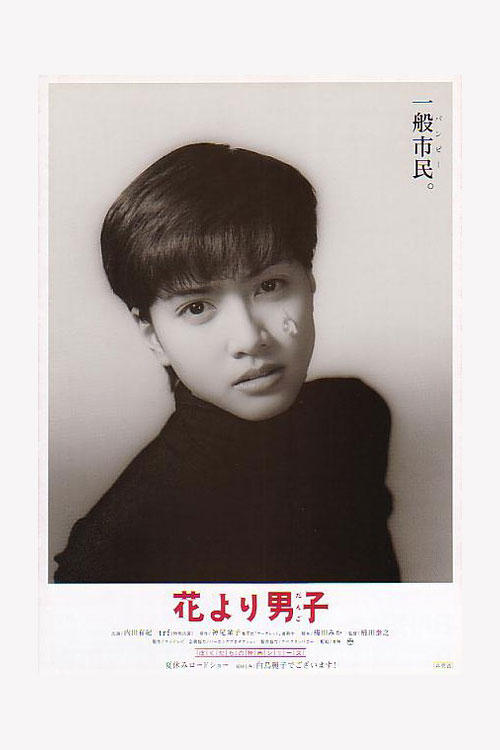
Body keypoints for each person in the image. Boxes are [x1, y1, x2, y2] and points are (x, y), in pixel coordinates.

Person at [54, 142, 400, 583]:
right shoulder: (113, 547)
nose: (250, 339)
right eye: (197, 307)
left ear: (309, 284)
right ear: (153, 336)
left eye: (270, 286)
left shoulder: (354, 416)